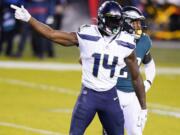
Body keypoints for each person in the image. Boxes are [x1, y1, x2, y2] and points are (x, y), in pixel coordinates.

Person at [11, 1, 147, 135]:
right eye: (112, 20)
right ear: (102, 19)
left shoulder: (126, 43)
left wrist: (143, 108)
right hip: (89, 96)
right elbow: (52, 34)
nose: (115, 24)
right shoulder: (88, 34)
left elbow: (136, 78)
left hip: (110, 97)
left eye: (117, 20)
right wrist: (29, 18)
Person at [103, 6, 156, 135]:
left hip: (134, 95)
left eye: (139, 22)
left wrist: (147, 83)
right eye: (135, 22)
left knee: (136, 132)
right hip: (113, 92)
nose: (138, 26)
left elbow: (150, 65)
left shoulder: (144, 40)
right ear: (125, 23)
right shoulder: (112, 39)